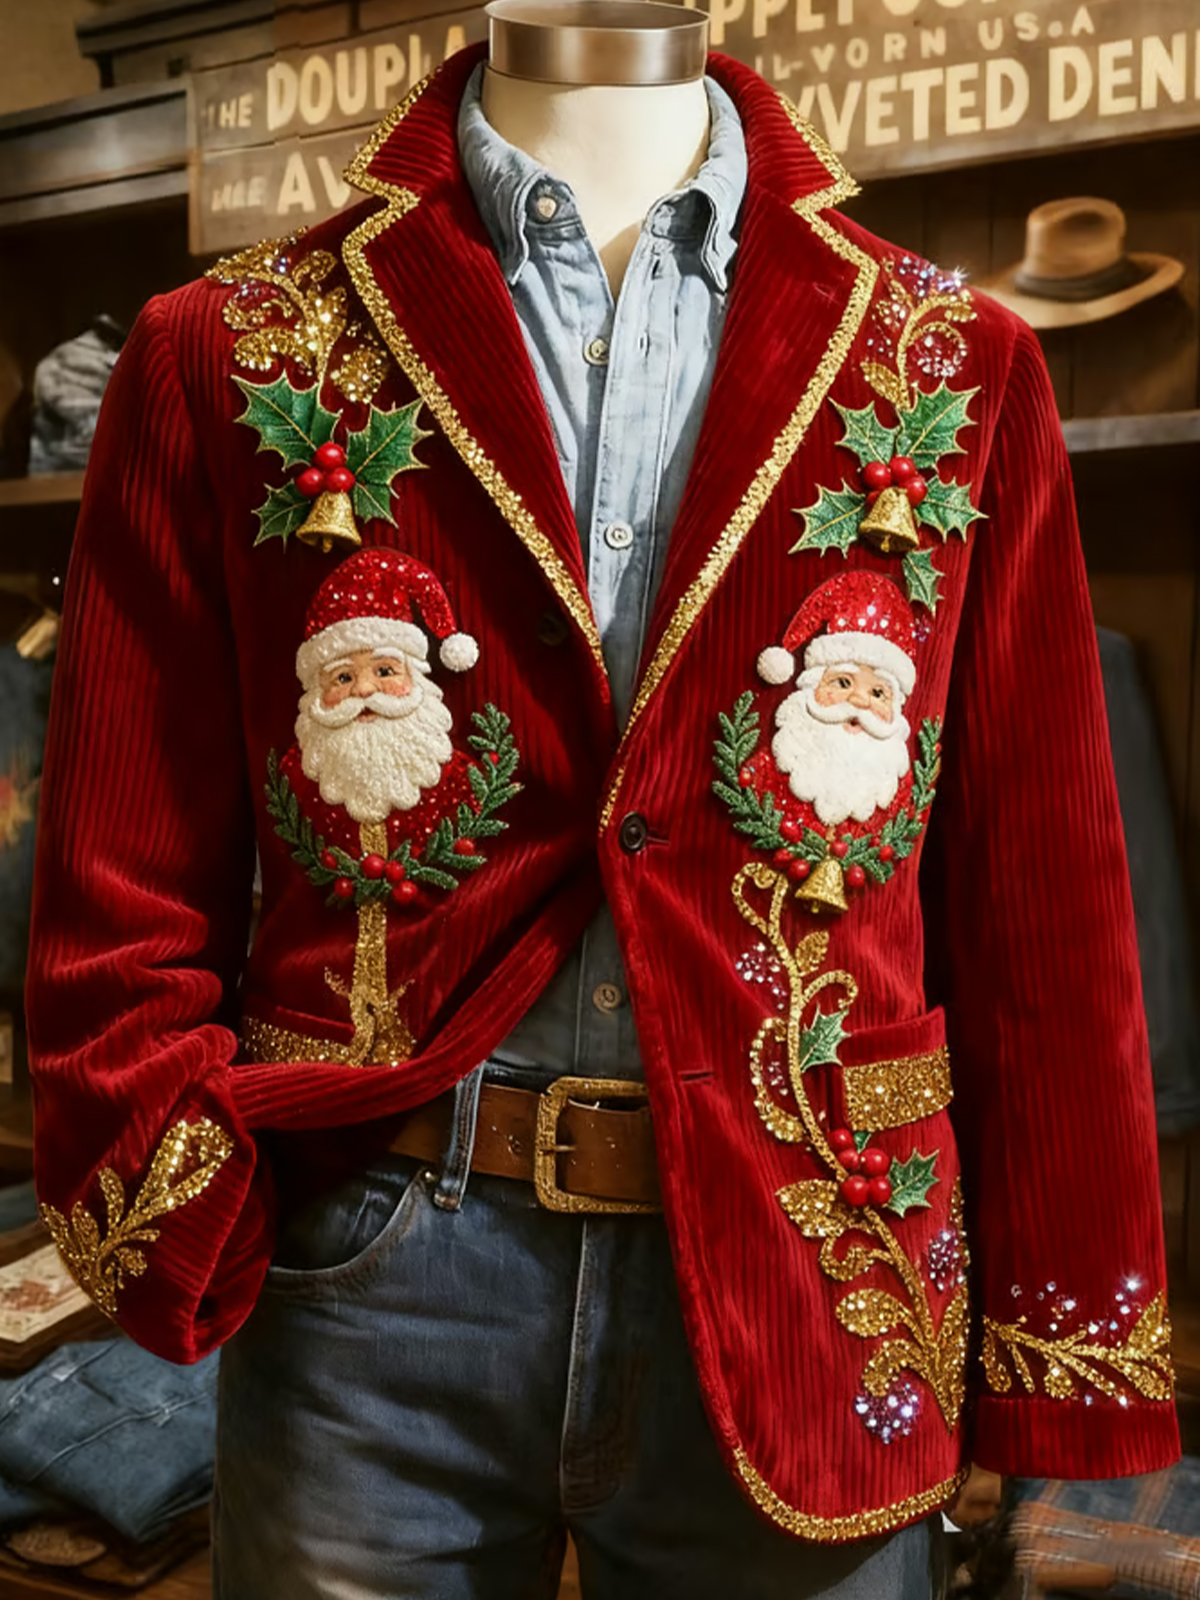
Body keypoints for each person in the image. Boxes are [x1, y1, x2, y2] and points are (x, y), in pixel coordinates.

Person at [27, 22, 1177, 1600]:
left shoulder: (951, 360)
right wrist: (168, 1167)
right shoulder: (234, 345)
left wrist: (1060, 1342)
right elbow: (119, 853)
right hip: (371, 1257)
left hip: (815, 1258)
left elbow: (1045, 896)